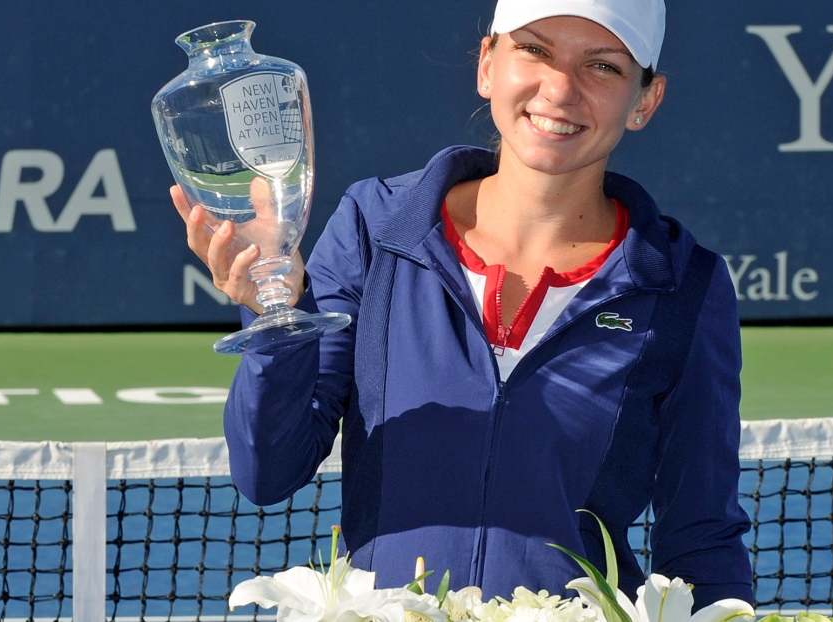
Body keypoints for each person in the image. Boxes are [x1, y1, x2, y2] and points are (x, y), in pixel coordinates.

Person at [172, 0, 754, 611]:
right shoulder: (374, 228)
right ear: (487, 65)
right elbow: (268, 471)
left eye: (603, 66)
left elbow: (701, 533)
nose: (559, 89)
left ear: (645, 100)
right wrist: (273, 309)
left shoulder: (686, 285)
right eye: (534, 50)